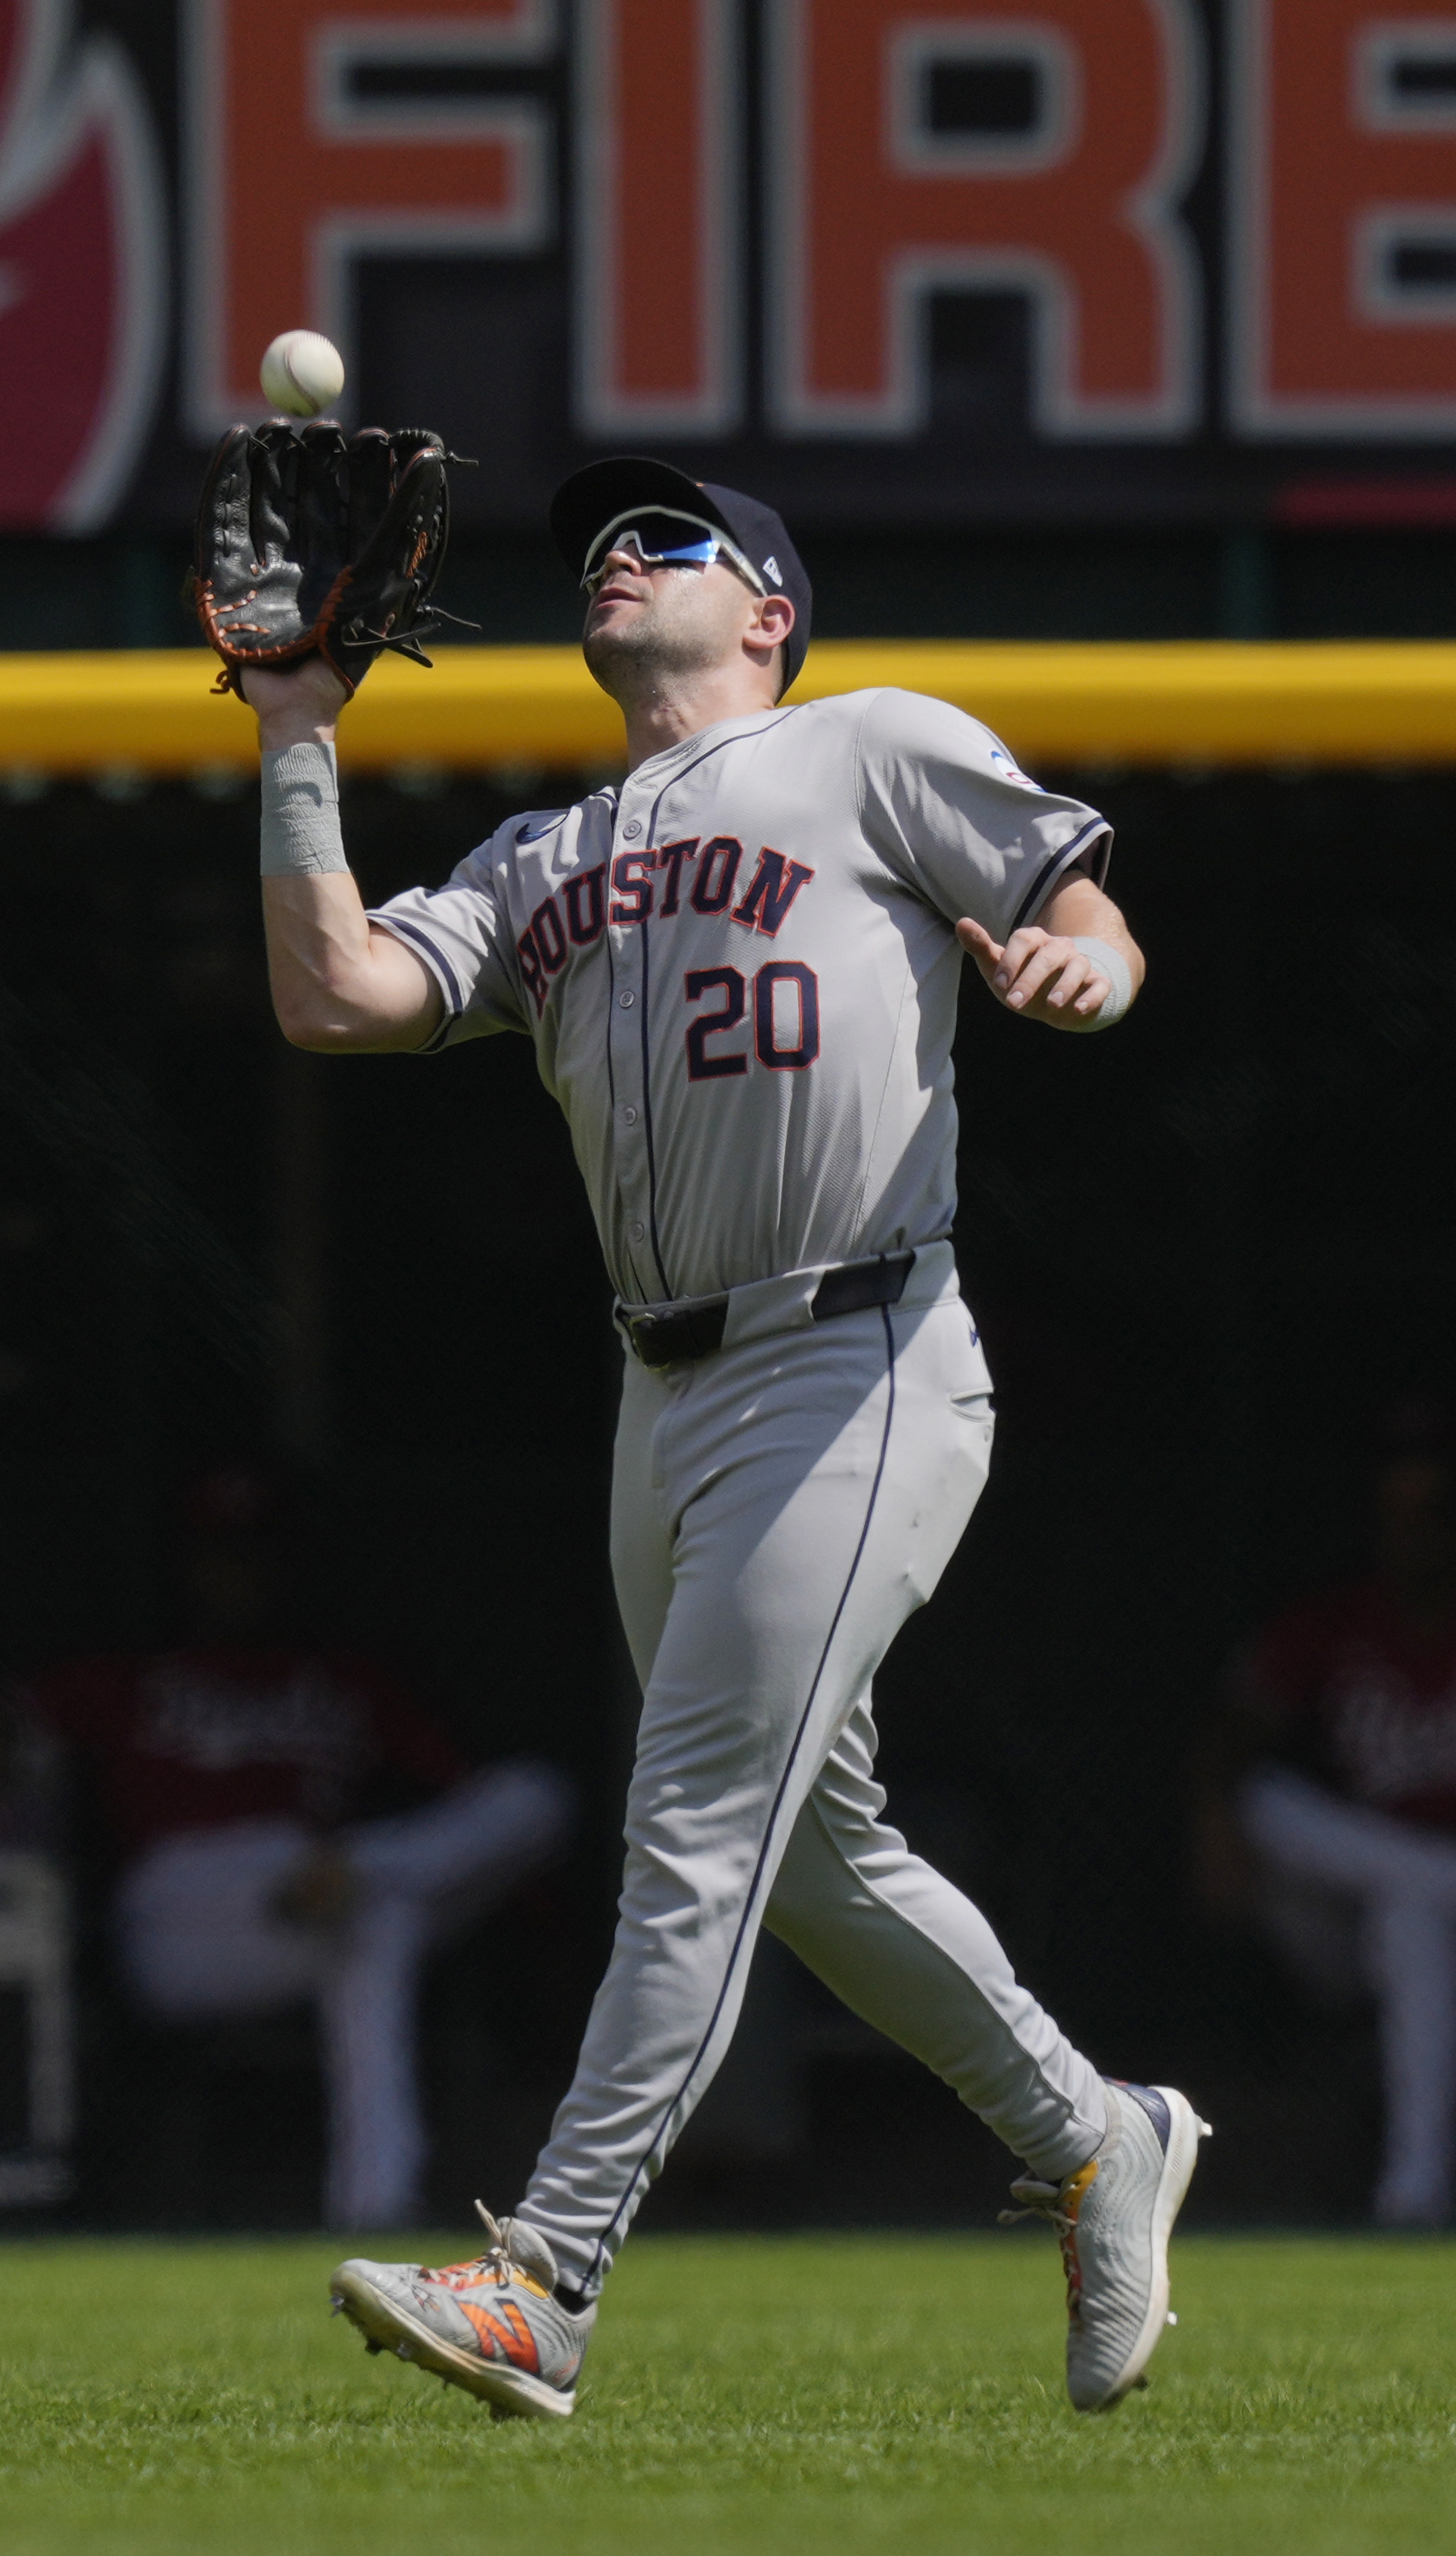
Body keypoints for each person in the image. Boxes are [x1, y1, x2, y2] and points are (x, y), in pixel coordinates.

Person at [253, 456, 1201, 2420]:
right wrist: (292, 737)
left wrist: (1084, 976)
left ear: (767, 608)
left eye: (667, 537)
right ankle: (1099, 2133)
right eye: (599, 539)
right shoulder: (540, 852)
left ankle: (545, 2279)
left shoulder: (866, 745)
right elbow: (334, 996)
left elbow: (1083, 909)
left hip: (854, 1348)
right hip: (660, 1392)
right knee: (816, 1854)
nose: (617, 554)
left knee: (690, 1824)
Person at [7, 1463, 569, 2230]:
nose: (236, 1576)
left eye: (254, 1553)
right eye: (218, 1554)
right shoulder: (123, 1676)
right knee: (365, 1906)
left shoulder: (343, 1679)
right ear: (183, 1563)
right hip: (179, 1912)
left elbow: (467, 1798)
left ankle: (375, 2209)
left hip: (329, 1883)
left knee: (526, 1805)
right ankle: (377, 2199)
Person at [1196, 1417, 1456, 2226]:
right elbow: (1226, 1743)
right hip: (1353, 1926)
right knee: (1269, 1804)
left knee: (1415, 1918)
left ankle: (1415, 2194)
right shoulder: (1332, 1620)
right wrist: (1212, 1830)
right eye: (1397, 1513)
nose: (1414, 1533)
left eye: (1433, 1511)